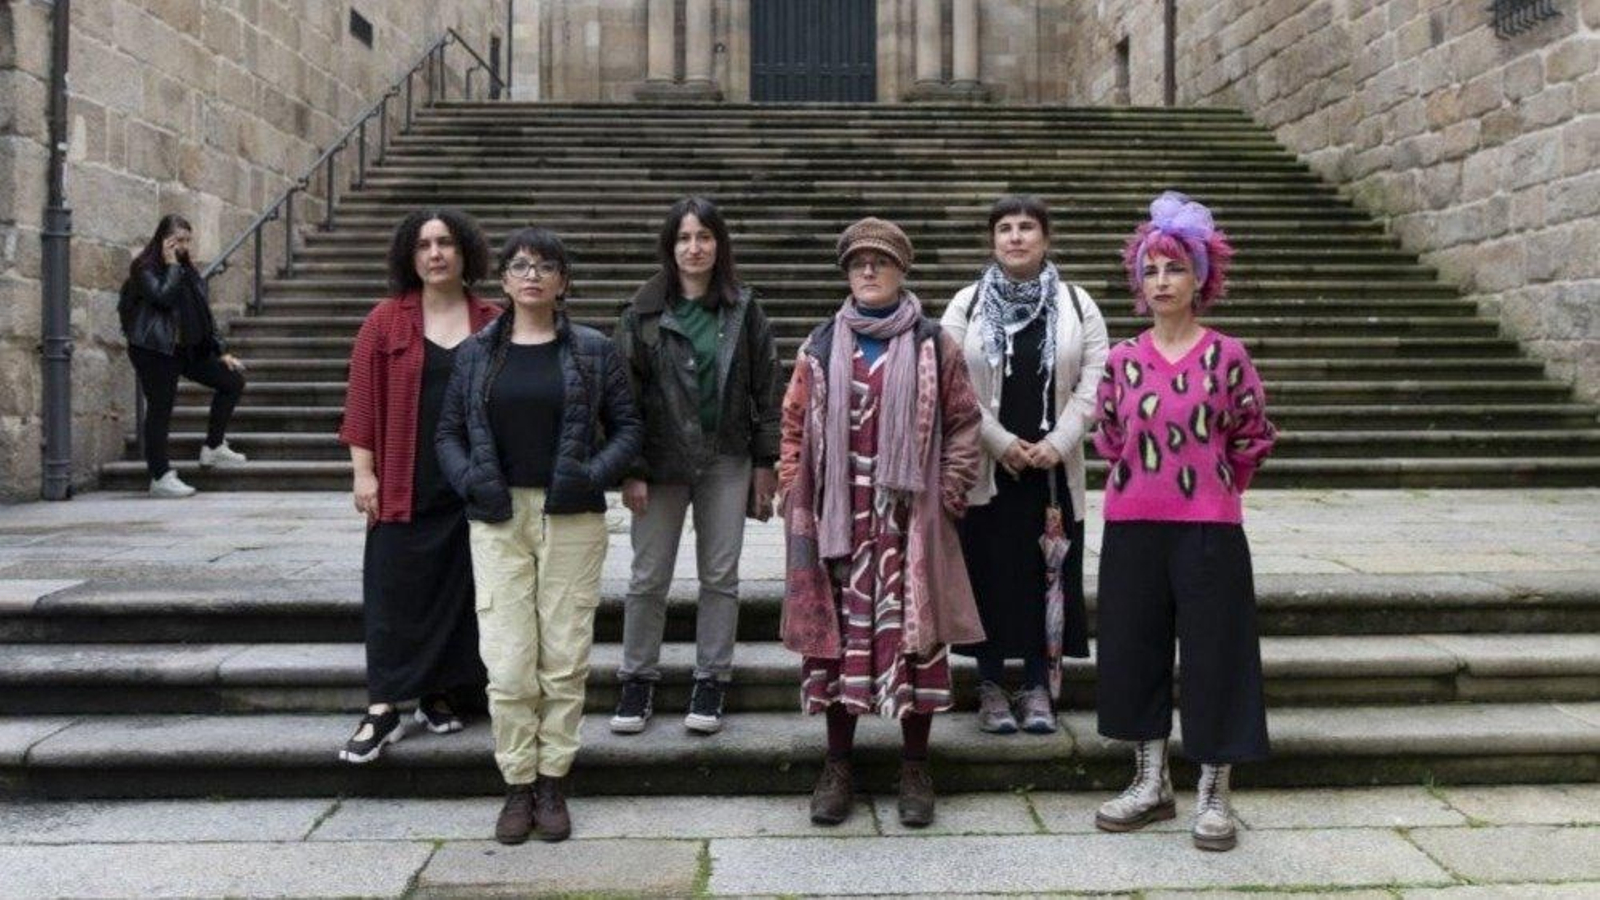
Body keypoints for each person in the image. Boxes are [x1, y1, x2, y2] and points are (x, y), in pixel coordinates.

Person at [436, 227, 643, 845]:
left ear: (562, 282)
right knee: (508, 661)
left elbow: (629, 428)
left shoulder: (592, 349)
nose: (532, 274)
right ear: (502, 280)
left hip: (571, 516)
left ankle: (553, 780)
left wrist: (591, 476)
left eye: (545, 266)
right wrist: (471, 479)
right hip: (499, 517)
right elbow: (447, 431)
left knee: (564, 656)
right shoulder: (475, 353)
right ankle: (516, 783)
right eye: (520, 265)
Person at [778, 217, 984, 829]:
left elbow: (965, 421)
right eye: (858, 262)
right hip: (838, 523)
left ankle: (915, 766)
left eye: (881, 261)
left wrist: (948, 492)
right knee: (836, 644)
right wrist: (795, 492)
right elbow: (792, 425)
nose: (868, 270)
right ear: (846, 272)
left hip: (906, 523)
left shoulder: (932, 343)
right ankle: (838, 764)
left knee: (916, 643)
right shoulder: (820, 345)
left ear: (901, 270)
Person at [1091, 191, 1276, 852]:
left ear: (1200, 275)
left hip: (1208, 527)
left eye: (1174, 267)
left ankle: (1213, 792)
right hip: (1133, 522)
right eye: (1151, 269)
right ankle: (1150, 783)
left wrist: (1214, 489)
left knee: (1215, 656)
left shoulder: (1227, 356)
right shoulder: (1121, 359)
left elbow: (1252, 437)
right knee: (1134, 650)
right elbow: (1108, 438)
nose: (1162, 280)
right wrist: (1149, 482)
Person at [611, 197, 781, 736]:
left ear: (719, 245)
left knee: (720, 576)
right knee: (648, 576)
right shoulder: (642, 313)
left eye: (704, 236)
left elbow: (768, 389)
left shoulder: (743, 309)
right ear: (670, 246)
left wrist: (765, 462)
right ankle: (636, 679)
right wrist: (631, 467)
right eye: (684, 237)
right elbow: (622, 397)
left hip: (726, 458)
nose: (694, 247)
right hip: (659, 464)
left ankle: (712, 678)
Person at [336, 208, 497, 766]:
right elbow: (360, 400)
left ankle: (437, 692)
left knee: (458, 593)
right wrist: (364, 471)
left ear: (464, 253)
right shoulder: (384, 321)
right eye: (424, 244)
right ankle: (382, 707)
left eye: (446, 243)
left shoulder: (491, 320)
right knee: (392, 590)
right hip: (404, 478)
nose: (435, 254)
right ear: (410, 255)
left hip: (469, 484)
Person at [942, 195, 1108, 735]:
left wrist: (1057, 443)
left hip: (1052, 473)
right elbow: (950, 381)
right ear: (992, 241)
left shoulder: (1078, 303)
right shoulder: (966, 304)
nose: (1016, 237)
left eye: (1027, 228)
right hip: (988, 468)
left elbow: (1096, 379)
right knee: (986, 573)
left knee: (1048, 574)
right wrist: (999, 441)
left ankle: (1038, 684)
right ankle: (990, 685)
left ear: (1046, 238)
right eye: (1006, 229)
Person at [118, 214, 247, 497]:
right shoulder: (144, 267)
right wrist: (172, 265)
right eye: (178, 240)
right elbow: (162, 297)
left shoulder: (188, 271)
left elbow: (203, 314)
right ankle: (160, 475)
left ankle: (213, 447)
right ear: (163, 239)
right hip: (155, 350)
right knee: (161, 408)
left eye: (188, 240)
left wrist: (220, 351)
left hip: (187, 349)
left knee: (232, 381)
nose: (184, 246)